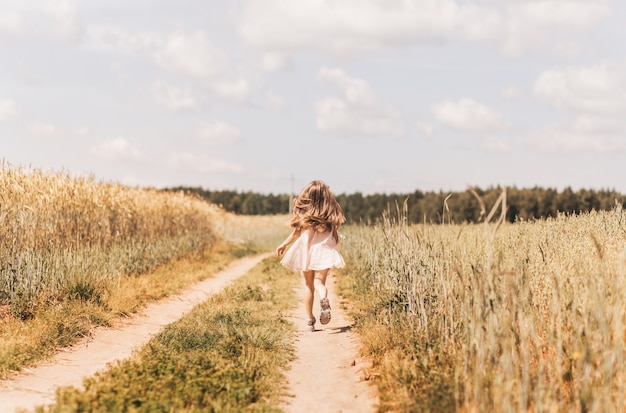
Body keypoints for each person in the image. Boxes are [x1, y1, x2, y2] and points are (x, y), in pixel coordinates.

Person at [276, 180, 346, 332]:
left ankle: (309, 321)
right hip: (324, 253)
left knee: (308, 286)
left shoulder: (304, 217)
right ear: (326, 198)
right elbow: (335, 238)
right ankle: (324, 298)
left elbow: (295, 234)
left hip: (307, 254)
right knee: (319, 283)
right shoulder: (329, 219)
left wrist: (283, 244)